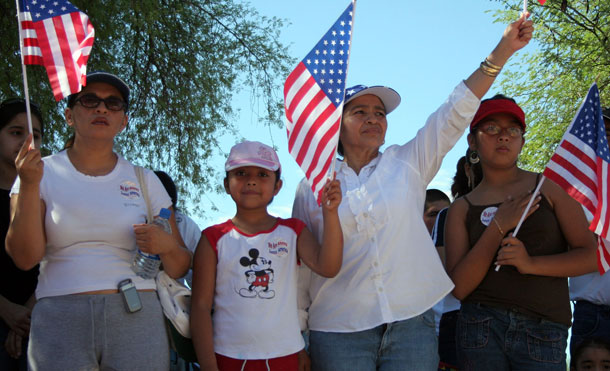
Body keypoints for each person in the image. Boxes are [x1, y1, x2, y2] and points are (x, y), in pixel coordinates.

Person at [292, 13, 535, 370]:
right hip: (337, 330)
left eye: (380, 112)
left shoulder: (406, 163)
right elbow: (301, 265)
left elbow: (454, 113)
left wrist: (503, 50)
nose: (373, 118)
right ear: (336, 125)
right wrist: (299, 335)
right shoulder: (311, 183)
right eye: (360, 111)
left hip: (412, 326)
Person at [5, 71, 192, 370]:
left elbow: (181, 264)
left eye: (113, 103)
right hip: (59, 316)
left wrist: (167, 246)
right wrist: (28, 184)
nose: (101, 108)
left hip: (136, 314)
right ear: (69, 115)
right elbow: (25, 258)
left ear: (124, 121)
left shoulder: (145, 180)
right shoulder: (38, 172)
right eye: (89, 100)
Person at [445, 94, 599, 370]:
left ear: (522, 141)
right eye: (491, 128)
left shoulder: (549, 187)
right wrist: (499, 226)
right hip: (480, 327)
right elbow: (459, 287)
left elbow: (591, 255)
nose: (503, 136)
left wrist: (530, 264)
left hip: (545, 328)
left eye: (513, 130)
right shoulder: (460, 208)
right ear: (472, 141)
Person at [190, 140, 343, 370]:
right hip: (229, 358)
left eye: (262, 174)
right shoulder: (212, 238)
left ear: (277, 186)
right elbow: (200, 306)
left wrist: (330, 213)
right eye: (240, 173)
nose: (251, 180)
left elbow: (328, 267)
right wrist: (209, 367)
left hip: (286, 357)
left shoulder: (293, 231)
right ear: (226, 183)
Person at [0, 98, 43, 371]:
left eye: (35, 136)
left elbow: (57, 257)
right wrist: (6, 310)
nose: (27, 143)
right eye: (16, 133)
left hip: (39, 323)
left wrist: (27, 314)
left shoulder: (49, 195)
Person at [434, 148, 483, 371]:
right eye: (480, 165)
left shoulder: (517, 209)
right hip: (459, 316)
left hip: (507, 315)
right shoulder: (449, 215)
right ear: (467, 169)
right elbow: (446, 274)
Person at [568, 107, 610, 357]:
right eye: (599, 135)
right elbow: (589, 250)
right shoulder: (574, 193)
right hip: (590, 311)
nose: (604, 142)